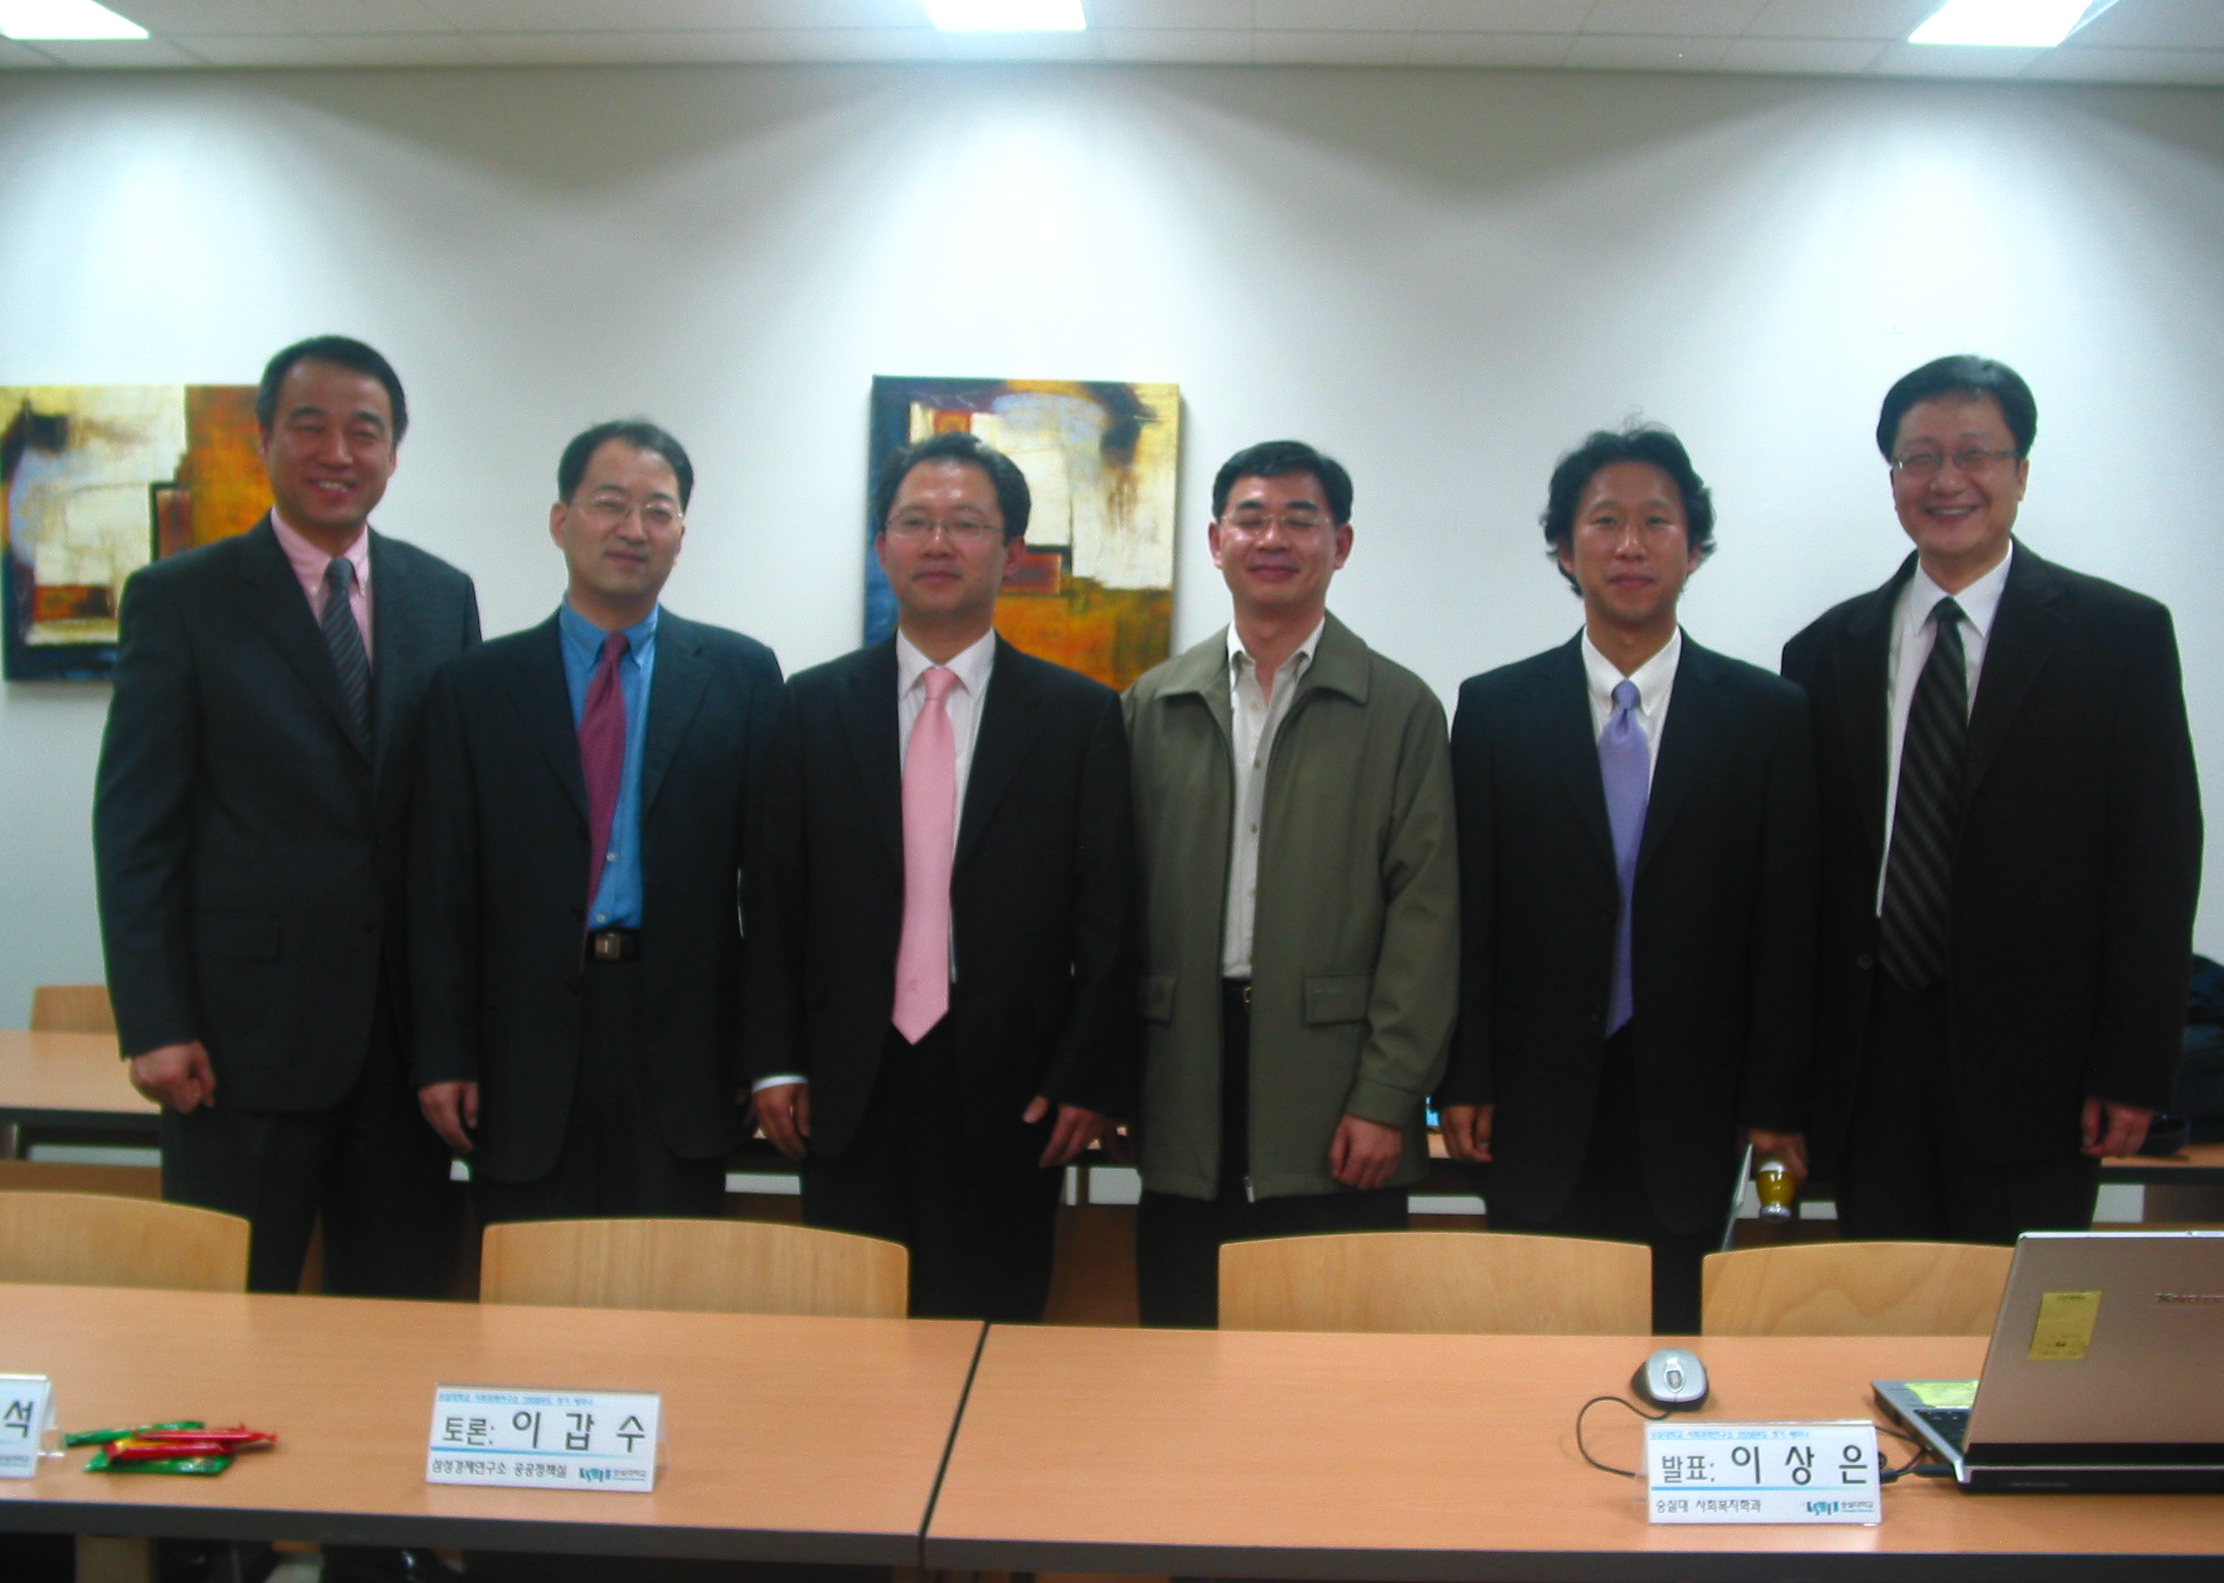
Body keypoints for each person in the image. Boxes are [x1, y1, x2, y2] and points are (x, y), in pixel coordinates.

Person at [1782, 355, 2202, 1243]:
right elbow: (1797, 884)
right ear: (1893, 477)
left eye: (1975, 454)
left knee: (2014, 1314)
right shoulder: (1822, 652)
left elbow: (2156, 865)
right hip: (1866, 1061)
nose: (1947, 481)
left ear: (2020, 471)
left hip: (2043, 1068)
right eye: (1919, 457)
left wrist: (2134, 1067)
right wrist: (1783, 1085)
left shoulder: (2117, 639)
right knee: (1878, 1305)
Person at [94, 334, 479, 1299]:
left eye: (366, 431)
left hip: (404, 1052)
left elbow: (452, 831)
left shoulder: (443, 596)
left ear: (394, 452)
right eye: (310, 427)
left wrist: (459, 1036)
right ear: (263, 439)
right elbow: (137, 831)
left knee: (396, 1318)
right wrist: (155, 1021)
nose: (337, 453)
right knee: (226, 1314)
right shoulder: (180, 600)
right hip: (237, 1047)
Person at [748, 431, 1138, 1322]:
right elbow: (772, 901)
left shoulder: (1078, 718)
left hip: (1014, 1086)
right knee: (848, 1337)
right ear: (881, 545)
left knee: (991, 1336)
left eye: (966, 524)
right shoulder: (810, 706)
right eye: (914, 522)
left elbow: (1110, 916)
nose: (937, 543)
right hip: (844, 1077)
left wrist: (1087, 1075)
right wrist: (772, 1062)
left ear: (1012, 553)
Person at [1437, 427, 1814, 1333]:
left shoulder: (1767, 717)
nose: (1631, 544)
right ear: (1566, 550)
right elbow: (1469, 914)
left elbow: (1788, 924)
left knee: (1680, 1337)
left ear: (1695, 548)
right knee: (1535, 1335)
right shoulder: (1494, 710)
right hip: (1531, 1096)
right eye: (1605, 522)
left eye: (1657, 522)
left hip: (1699, 1098)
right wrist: (1464, 1076)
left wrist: (1775, 1103)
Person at [409, 422, 783, 1225]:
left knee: (670, 1282)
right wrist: (442, 1053)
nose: (633, 529)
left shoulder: (742, 677)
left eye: (658, 510)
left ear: (681, 534)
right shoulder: (474, 689)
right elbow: (439, 891)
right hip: (518, 1046)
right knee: (526, 1284)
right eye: (610, 503)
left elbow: (773, 888)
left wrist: (769, 1058)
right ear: (561, 520)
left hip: (687, 1044)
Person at [1124, 440, 1458, 1329]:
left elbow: (1426, 921)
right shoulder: (1151, 705)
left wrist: (1387, 1099)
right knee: (1180, 1343)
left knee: (1330, 1358)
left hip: (1335, 1086)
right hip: (1184, 1073)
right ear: (1215, 540)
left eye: (1299, 520)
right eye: (1251, 518)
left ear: (1339, 544)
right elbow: (1111, 908)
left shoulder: (1400, 710)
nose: (1273, 539)